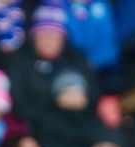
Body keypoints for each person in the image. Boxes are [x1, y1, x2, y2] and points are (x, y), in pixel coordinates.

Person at [8, 2, 96, 133]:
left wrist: (82, 101)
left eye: (55, 36)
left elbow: (93, 93)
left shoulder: (76, 59)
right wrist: (56, 101)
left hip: (78, 127)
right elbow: (19, 105)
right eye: (44, 35)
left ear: (63, 38)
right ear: (34, 37)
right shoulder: (21, 61)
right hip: (36, 129)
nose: (49, 40)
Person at [34, 69, 100, 147]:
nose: (74, 97)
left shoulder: (94, 120)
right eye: (68, 93)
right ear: (57, 98)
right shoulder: (48, 121)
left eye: (78, 92)